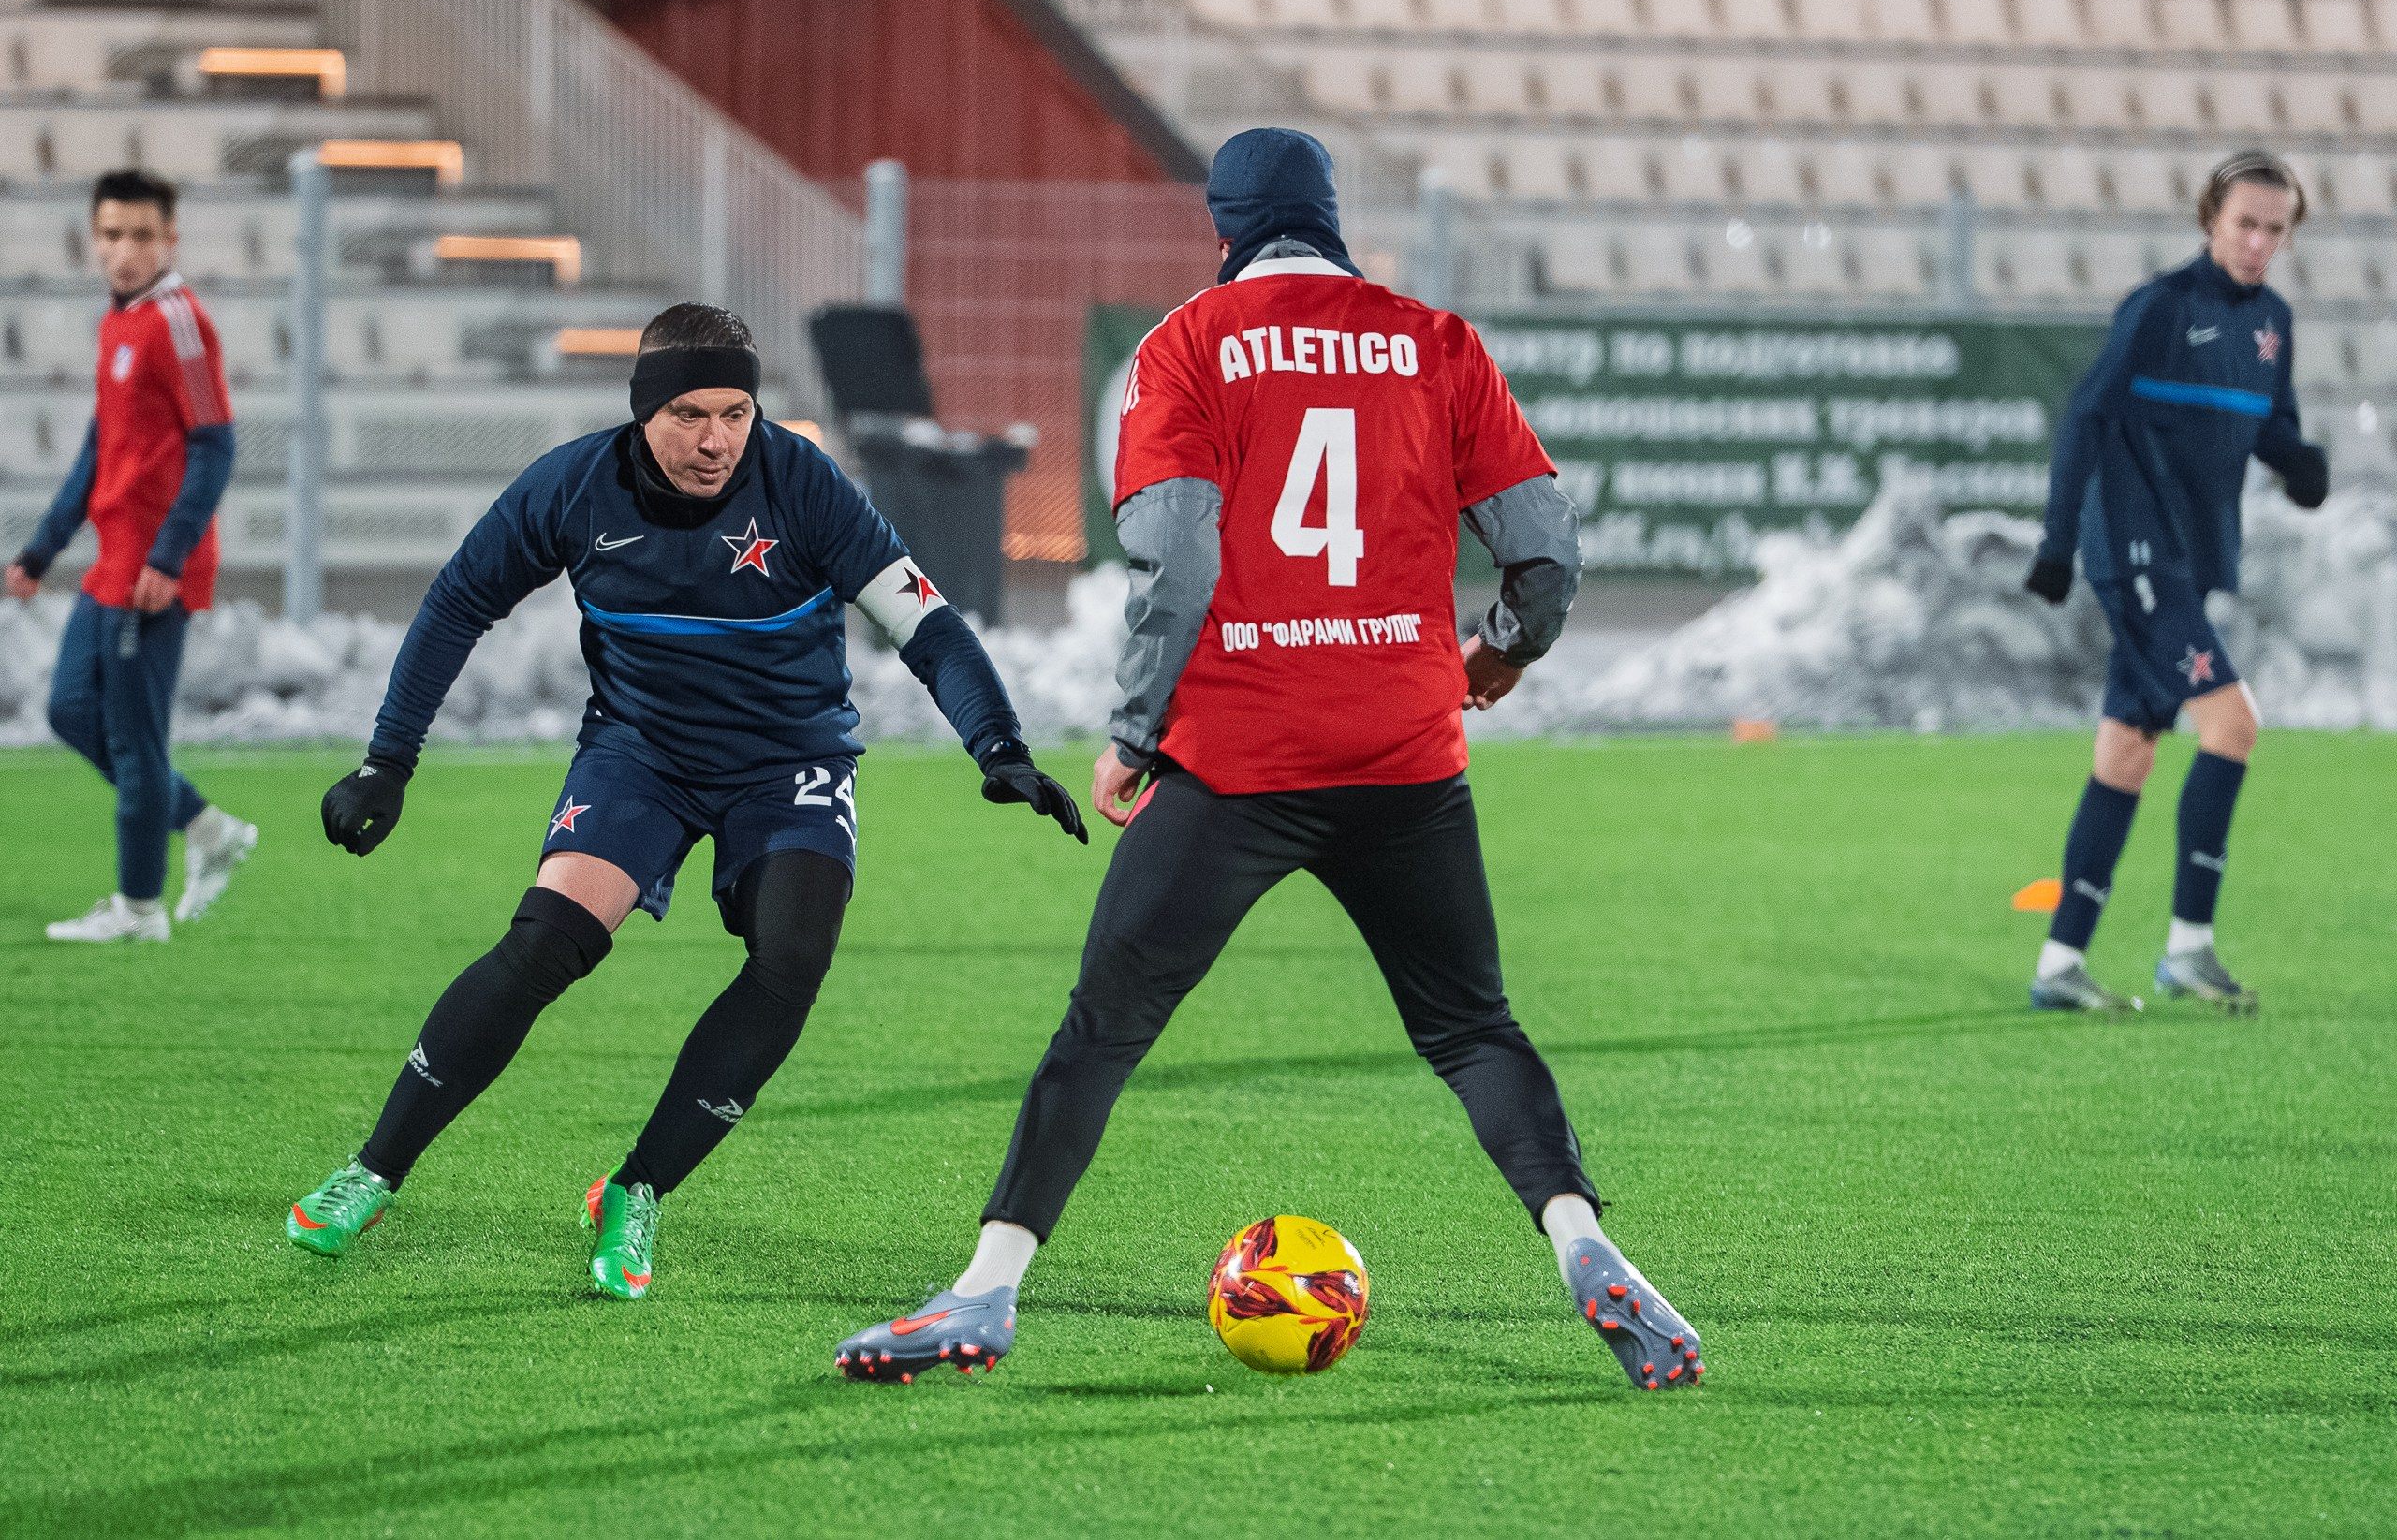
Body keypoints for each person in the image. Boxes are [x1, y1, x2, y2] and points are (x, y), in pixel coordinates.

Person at [837, 129, 1701, 1391]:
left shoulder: (1188, 344)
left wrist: (1135, 732)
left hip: (1242, 751)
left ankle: (985, 1290)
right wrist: (1500, 656)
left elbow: (1176, 561)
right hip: (1405, 745)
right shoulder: (1434, 339)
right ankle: (1585, 1239)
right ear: (1332, 216)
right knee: (1471, 1026)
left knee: (1103, 1030)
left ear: (1225, 221)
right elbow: (1548, 556)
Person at [285, 303, 1086, 1299]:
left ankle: (637, 1189)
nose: (716, 441)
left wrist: (997, 744)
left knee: (792, 954)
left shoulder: (803, 484)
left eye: (737, 412)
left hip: (789, 760)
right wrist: (386, 762)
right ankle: (373, 1169)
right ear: (642, 413)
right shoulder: (573, 487)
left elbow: (926, 625)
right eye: (689, 415)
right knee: (545, 942)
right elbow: (458, 604)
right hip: (641, 754)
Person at [2022, 151, 2327, 1014]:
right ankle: (2188, 947)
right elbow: (2086, 417)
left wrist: (2301, 464)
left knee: (2126, 754)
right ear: (2210, 221)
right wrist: (2056, 541)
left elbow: (2271, 425)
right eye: (2246, 224)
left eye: (2275, 229)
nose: (2259, 241)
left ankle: (2058, 963)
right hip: (2136, 553)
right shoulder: (2159, 308)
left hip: (2192, 561)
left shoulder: (2273, 323)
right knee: (2233, 724)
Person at [5, 169, 256, 941]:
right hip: (112, 560)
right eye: (112, 234)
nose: (125, 249)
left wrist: (171, 557)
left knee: (133, 736)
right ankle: (208, 830)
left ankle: (140, 909)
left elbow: (216, 447)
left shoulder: (180, 321)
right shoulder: (119, 322)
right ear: (95, 237)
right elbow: (100, 449)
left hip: (155, 571)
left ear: (169, 240)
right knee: (69, 710)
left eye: (142, 235)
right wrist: (41, 551)